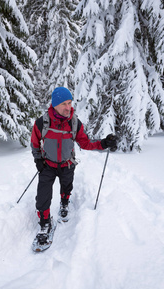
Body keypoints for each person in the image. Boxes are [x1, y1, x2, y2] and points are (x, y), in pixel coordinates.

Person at [31, 87, 117, 239]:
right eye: (64, 104)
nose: (68, 107)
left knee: (66, 187)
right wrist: (38, 158)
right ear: (55, 104)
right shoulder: (42, 122)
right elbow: (35, 142)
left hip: (67, 164)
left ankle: (64, 203)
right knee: (43, 195)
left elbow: (86, 143)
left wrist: (103, 143)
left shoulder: (74, 123)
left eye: (69, 103)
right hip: (48, 165)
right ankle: (45, 222)